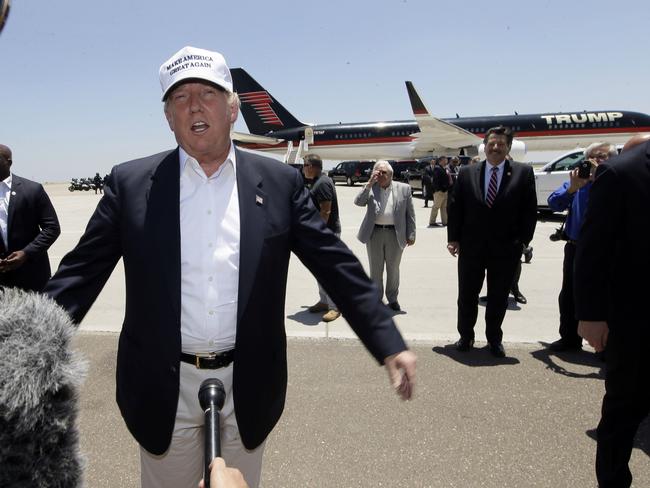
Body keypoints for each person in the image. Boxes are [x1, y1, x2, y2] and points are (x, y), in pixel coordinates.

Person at [43, 46, 416, 488]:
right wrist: (22, 352)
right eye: (179, 98)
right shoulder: (131, 184)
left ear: (233, 108)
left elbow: (335, 265)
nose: (194, 105)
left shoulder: (280, 183)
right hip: (164, 387)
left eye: (207, 93)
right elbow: (79, 274)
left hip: (249, 384)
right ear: (167, 117)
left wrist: (387, 339)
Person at [574, 136, 650, 488]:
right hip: (637, 324)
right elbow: (593, 248)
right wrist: (590, 314)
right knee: (622, 418)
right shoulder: (620, 174)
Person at [447, 126, 537, 358]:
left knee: (498, 297)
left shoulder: (523, 172)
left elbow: (529, 211)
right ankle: (465, 336)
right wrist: (454, 238)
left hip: (506, 249)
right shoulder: (467, 172)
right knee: (467, 295)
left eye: (501, 144)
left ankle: (494, 339)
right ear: (484, 146)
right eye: (491, 144)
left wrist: (522, 242)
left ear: (508, 147)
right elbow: (455, 206)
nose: (495, 148)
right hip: (471, 247)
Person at [546, 142, 617, 352]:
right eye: (592, 157)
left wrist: (601, 180)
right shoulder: (578, 180)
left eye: (602, 157)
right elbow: (554, 203)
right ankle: (569, 337)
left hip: (607, 250)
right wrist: (574, 187)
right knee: (569, 294)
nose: (596, 161)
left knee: (607, 296)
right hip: (576, 246)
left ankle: (606, 345)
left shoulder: (617, 181)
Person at [355, 160, 416, 312]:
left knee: (393, 269)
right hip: (374, 233)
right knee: (375, 269)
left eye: (384, 173)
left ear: (391, 175)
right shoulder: (371, 187)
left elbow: (410, 214)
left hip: (395, 234)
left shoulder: (404, 189)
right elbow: (358, 202)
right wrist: (369, 183)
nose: (381, 175)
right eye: (378, 172)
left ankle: (393, 299)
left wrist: (411, 234)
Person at [0, 144, 60, 292]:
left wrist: (26, 253)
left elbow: (52, 227)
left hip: (31, 275)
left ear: (9, 162)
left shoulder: (32, 190)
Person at [303, 153, 341, 322]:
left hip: (327, 233)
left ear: (312, 166)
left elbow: (326, 210)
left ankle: (335, 307)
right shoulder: (317, 181)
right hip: (321, 232)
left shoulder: (323, 183)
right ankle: (325, 301)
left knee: (328, 272)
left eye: (305, 165)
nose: (303, 169)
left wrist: (319, 233)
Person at [429, 156, 451, 227]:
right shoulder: (437, 169)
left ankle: (445, 222)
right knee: (436, 207)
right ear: (440, 161)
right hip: (439, 192)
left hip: (445, 191)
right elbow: (436, 181)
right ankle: (432, 221)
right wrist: (439, 189)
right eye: (444, 160)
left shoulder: (444, 169)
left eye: (446, 160)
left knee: (444, 207)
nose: (446, 162)